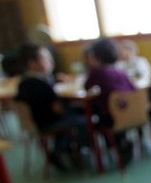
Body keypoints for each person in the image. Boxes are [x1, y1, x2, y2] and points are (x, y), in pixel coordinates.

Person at [15, 43, 87, 171]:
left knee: (75, 113)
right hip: (48, 123)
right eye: (45, 58)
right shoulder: (41, 85)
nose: (50, 61)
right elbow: (57, 109)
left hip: (36, 123)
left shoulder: (24, 83)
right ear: (32, 63)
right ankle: (67, 150)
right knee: (83, 118)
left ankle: (62, 149)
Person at [84, 38, 136, 165]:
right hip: (131, 113)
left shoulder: (96, 72)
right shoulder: (121, 71)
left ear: (95, 57)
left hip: (112, 117)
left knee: (95, 119)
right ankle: (122, 144)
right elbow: (134, 89)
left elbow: (87, 86)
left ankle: (106, 148)